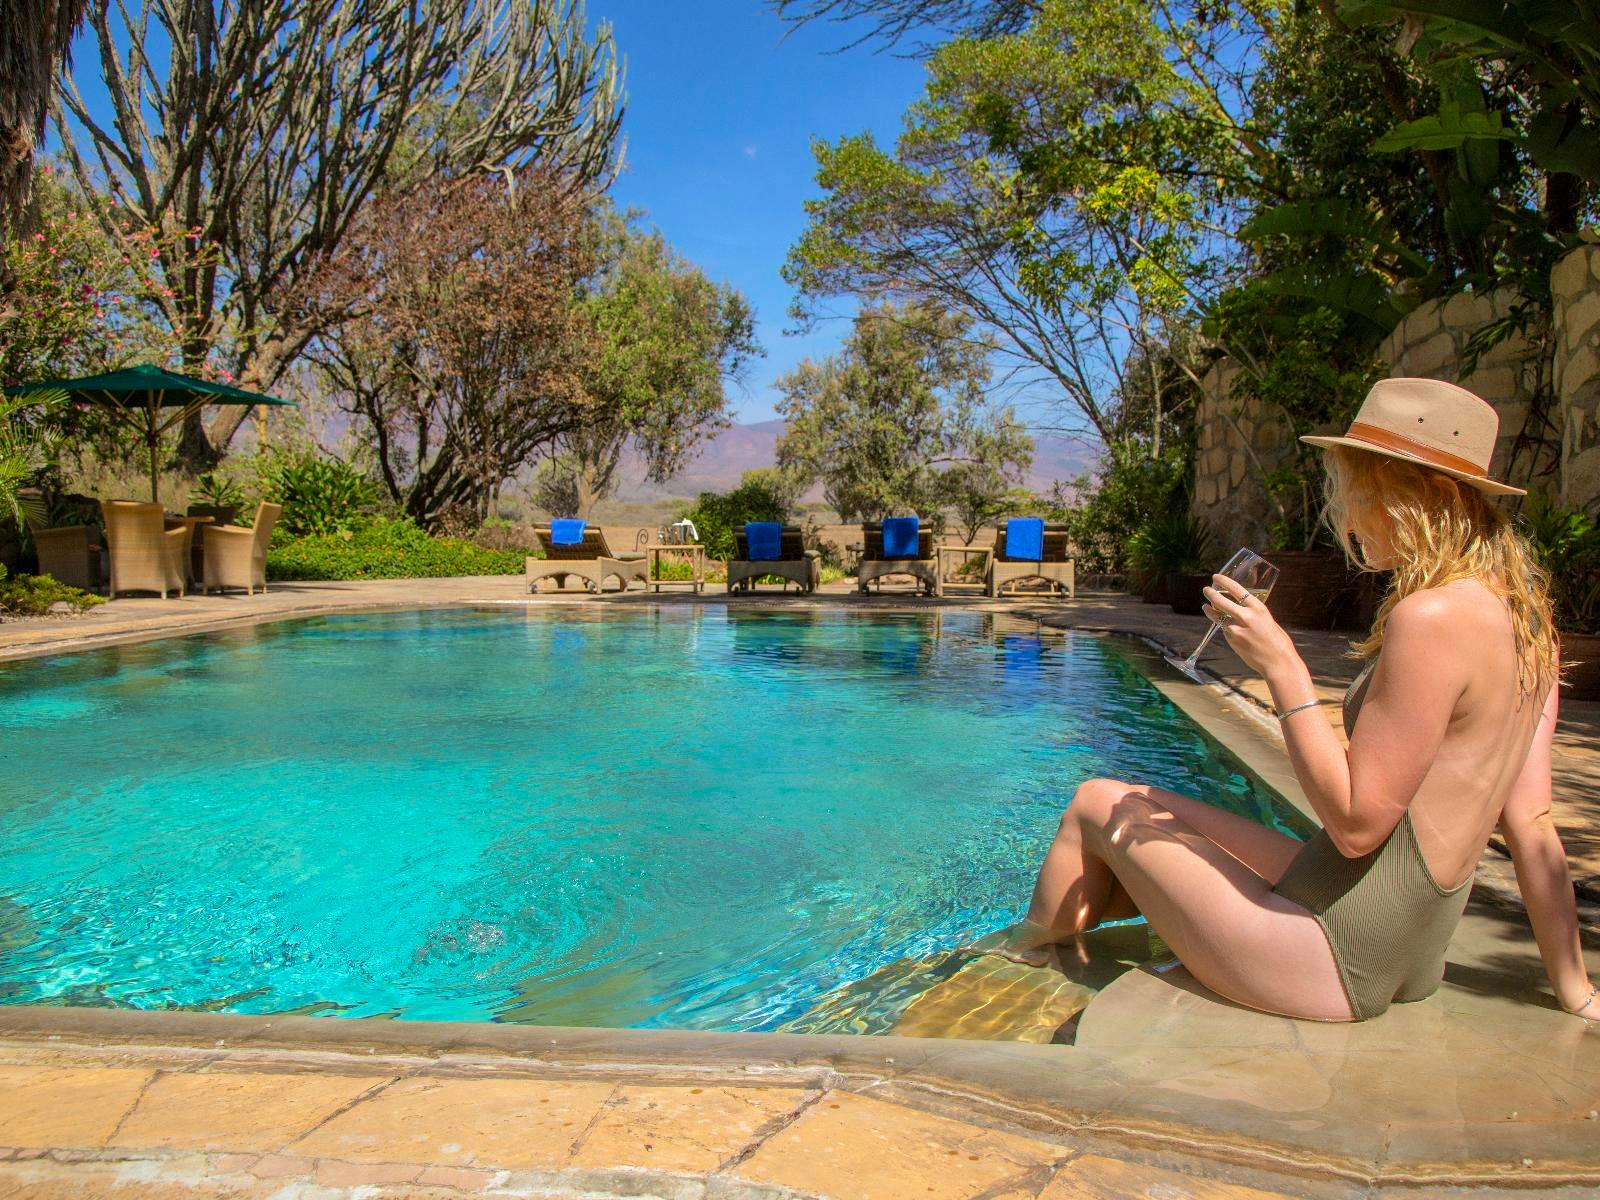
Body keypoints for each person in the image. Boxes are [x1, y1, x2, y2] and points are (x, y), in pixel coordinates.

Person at [1008, 377, 1597, 1022]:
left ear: (1425, 498)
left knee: (1094, 803)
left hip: (1334, 954)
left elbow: (1356, 826)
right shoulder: (1528, 624)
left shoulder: (1430, 618)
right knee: (1137, 801)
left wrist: (1282, 666)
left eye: (1359, 492)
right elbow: (1533, 822)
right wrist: (1578, 992)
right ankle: (1073, 935)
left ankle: (1014, 965)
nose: (1346, 518)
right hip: (1408, 946)